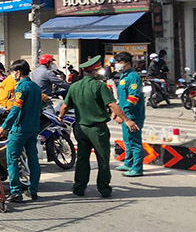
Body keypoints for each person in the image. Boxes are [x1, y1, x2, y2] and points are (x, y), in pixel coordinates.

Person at [59, 55, 139, 198]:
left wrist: (60, 118)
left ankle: (79, 187)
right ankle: (104, 188)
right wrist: (126, 120)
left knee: (82, 159)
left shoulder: (75, 86)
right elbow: (112, 105)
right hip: (98, 130)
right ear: (94, 71)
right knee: (102, 159)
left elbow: (65, 106)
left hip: (81, 128)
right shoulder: (99, 86)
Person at [0, 60, 42, 202]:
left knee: (12, 159)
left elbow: (16, 109)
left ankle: (16, 192)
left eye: (12, 72)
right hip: (33, 128)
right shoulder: (36, 87)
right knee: (33, 159)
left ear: (18, 72)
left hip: (19, 129)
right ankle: (33, 190)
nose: (12, 75)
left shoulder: (21, 88)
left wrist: (5, 126)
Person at [114, 52, 146, 177]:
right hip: (124, 114)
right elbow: (121, 97)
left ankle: (137, 168)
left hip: (132, 115)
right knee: (127, 140)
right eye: (116, 62)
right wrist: (116, 111)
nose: (117, 65)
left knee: (135, 142)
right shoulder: (123, 76)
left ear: (127, 63)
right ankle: (129, 162)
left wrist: (123, 113)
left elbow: (133, 97)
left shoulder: (133, 77)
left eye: (120, 62)